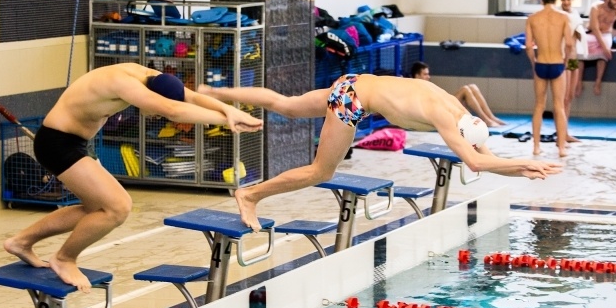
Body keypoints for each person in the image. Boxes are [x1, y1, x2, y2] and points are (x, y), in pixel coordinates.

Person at [3, 63, 263, 292]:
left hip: (73, 142)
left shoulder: (148, 75)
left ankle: (21, 242)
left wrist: (231, 113)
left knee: (96, 210)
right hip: (58, 144)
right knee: (117, 207)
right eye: (155, 110)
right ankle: (64, 258)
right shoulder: (123, 83)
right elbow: (174, 110)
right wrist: (226, 120)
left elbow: (190, 97)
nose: (155, 115)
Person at [199, 75, 563, 229]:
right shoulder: (446, 118)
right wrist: (523, 162)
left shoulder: (454, 105)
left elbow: (484, 155)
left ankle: (213, 94)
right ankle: (250, 195)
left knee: (287, 104)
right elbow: (474, 161)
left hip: (354, 81)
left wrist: (522, 168)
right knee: (320, 172)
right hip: (353, 101)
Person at [525, 0, 573, 157]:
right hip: (557, 64)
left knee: (539, 106)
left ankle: (536, 147)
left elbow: (529, 46)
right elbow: (569, 43)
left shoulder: (532, 18)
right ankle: (561, 148)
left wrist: (534, 63)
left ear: (542, 2)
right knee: (559, 106)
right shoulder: (563, 17)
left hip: (541, 64)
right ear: (555, 1)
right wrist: (565, 61)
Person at [410, 61, 506, 128]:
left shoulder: (425, 85)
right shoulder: (414, 87)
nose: (428, 76)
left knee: (473, 87)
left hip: (441, 104)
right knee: (465, 89)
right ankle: (485, 119)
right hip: (438, 110)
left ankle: (491, 117)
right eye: (425, 74)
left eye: (428, 74)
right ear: (417, 75)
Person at [575, 0, 616, 97]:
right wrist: (604, 47)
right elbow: (595, 28)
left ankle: (598, 81)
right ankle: (578, 82)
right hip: (591, 33)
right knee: (579, 51)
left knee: (604, 55)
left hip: (606, 35)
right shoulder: (595, 7)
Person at [558, 0, 583, 142]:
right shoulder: (559, 16)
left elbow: (579, 36)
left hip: (574, 59)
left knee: (570, 97)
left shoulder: (575, 14)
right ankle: (561, 134)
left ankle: (565, 132)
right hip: (564, 60)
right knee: (563, 98)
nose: (566, 2)